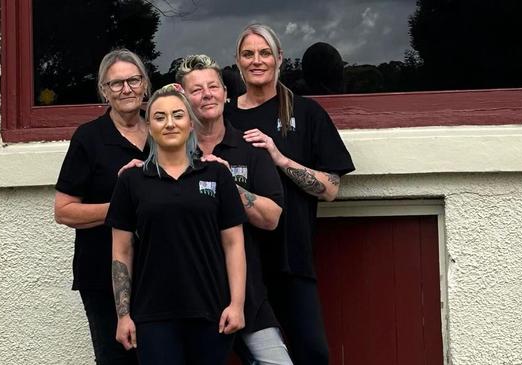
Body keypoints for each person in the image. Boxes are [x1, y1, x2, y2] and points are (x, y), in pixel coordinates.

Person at [224, 24, 355, 365]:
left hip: (291, 257)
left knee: (311, 352)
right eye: (248, 54)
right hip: (237, 262)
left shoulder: (306, 113)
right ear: (237, 61)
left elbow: (330, 189)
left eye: (265, 53)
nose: (257, 60)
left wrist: (279, 158)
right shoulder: (223, 117)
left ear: (279, 58)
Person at [106, 83, 247, 365]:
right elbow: (121, 251)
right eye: (160, 117)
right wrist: (123, 316)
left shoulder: (217, 174)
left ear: (191, 124)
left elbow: (233, 244)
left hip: (210, 310)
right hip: (152, 315)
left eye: (178, 115)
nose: (170, 123)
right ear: (149, 127)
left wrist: (237, 304)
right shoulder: (131, 181)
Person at [175, 54, 293, 364]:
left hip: (247, 293)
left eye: (213, 86)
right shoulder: (168, 152)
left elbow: (271, 218)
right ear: (183, 97)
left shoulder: (249, 149)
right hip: (188, 294)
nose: (208, 94)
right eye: (197, 89)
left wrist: (229, 185)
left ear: (226, 94)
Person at [54, 48, 151, 365]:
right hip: (102, 273)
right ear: (104, 91)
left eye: (134, 80)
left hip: (159, 270)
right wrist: (121, 210)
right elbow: (64, 210)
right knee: (116, 359)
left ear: (145, 84)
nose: (127, 89)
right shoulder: (89, 138)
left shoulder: (163, 128)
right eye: (116, 83)